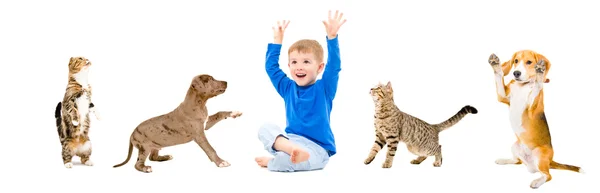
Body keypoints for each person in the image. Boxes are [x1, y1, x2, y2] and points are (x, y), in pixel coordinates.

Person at [255, 10, 347, 172]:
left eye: (306, 62)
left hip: (317, 149)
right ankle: (289, 151)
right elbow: (271, 68)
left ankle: (275, 161)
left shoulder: (324, 87)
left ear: (319, 67)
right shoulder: (288, 87)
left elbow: (334, 67)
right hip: (291, 141)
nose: (299, 66)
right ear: (289, 66)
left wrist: (332, 38)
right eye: (294, 62)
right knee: (265, 128)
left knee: (283, 162)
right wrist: (277, 41)